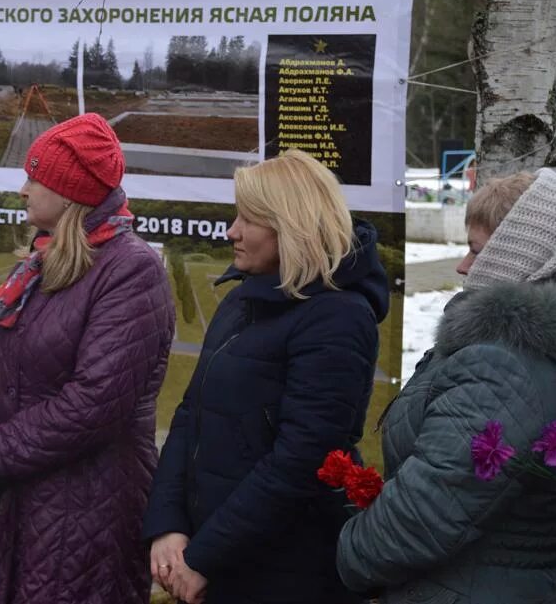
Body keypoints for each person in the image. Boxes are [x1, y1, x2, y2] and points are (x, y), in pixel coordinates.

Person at [0, 113, 176, 604]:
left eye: (35, 177)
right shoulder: (38, 263)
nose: (23, 189)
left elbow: (97, 400)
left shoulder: (132, 271)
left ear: (69, 191)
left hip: (86, 510)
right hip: (8, 505)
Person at [143, 149, 390, 604]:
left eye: (248, 219)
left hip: (284, 572)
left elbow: (300, 462)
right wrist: (168, 526)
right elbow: (190, 415)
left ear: (290, 225)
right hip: (215, 559)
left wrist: (206, 556)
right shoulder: (244, 298)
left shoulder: (339, 317)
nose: (231, 231)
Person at [338, 168, 556, 603]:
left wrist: (348, 554)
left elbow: (419, 519)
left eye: (476, 250)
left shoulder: (503, 366)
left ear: (521, 256)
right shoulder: (554, 348)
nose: (462, 265)